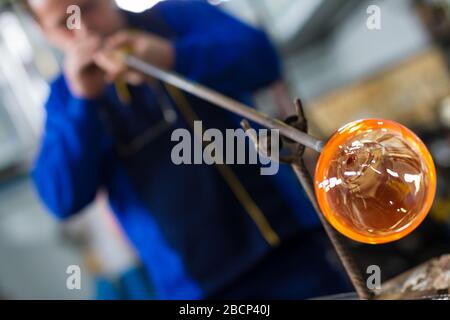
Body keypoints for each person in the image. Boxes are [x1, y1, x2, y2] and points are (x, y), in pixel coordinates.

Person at [28, 0, 350, 299]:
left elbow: (262, 57)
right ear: (44, 32)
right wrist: (82, 103)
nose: (84, 29)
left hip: (285, 246)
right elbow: (62, 198)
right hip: (196, 288)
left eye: (89, 7)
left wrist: (172, 56)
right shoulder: (64, 99)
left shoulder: (177, 17)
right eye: (64, 23)